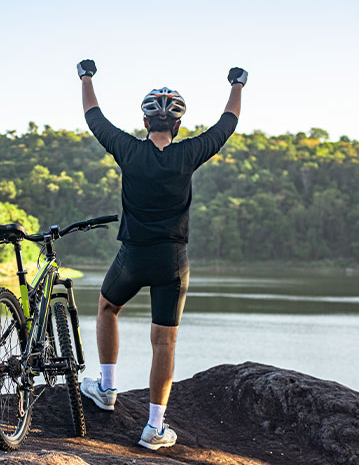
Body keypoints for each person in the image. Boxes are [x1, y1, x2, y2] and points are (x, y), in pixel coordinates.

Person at [75, 59, 247, 450]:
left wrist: (86, 77)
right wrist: (237, 85)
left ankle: (106, 388)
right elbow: (227, 124)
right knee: (164, 342)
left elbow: (93, 116)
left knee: (106, 307)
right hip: (172, 262)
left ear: (144, 123)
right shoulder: (188, 154)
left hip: (132, 258)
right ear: (178, 127)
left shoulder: (129, 151)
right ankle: (154, 428)